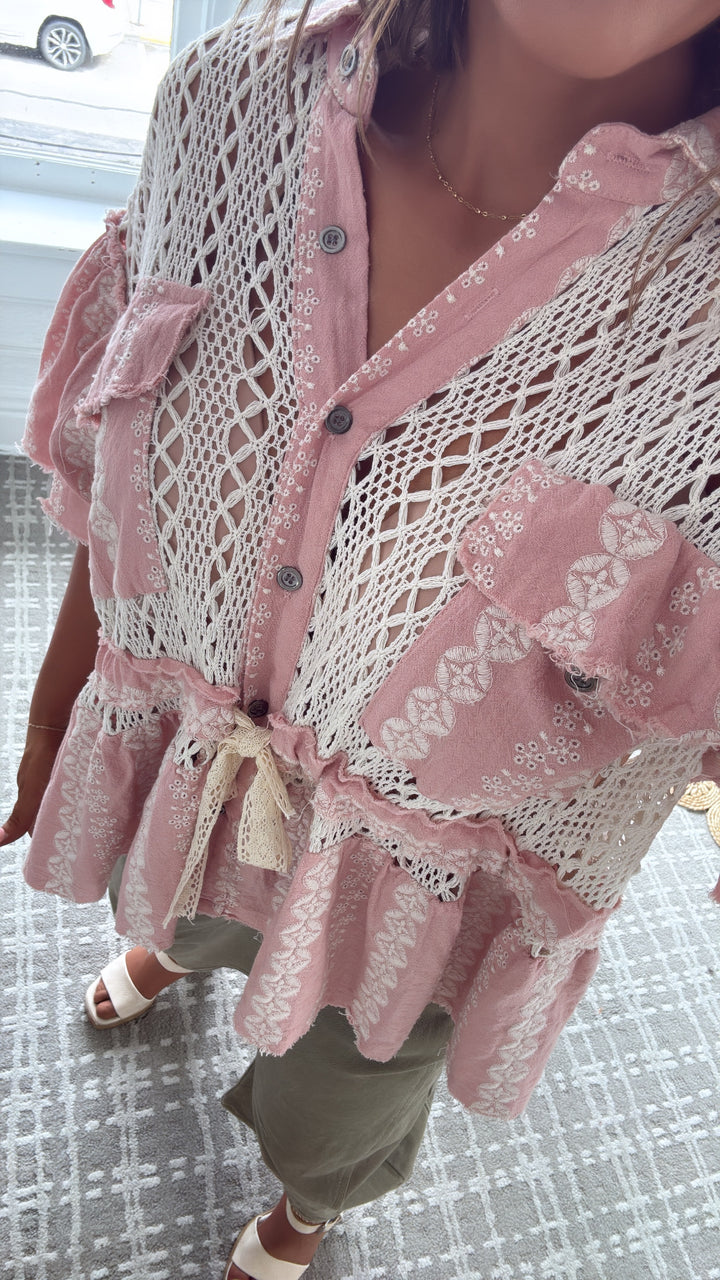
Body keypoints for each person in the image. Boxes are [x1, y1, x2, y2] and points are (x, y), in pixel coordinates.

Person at [4, 1, 720, 1276]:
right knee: (183, 893)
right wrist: (62, 700)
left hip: (420, 894)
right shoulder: (225, 104)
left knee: (333, 1101)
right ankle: (177, 945)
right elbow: (118, 459)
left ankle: (307, 1206)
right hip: (194, 761)